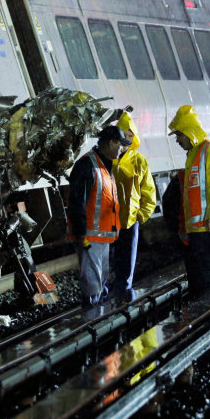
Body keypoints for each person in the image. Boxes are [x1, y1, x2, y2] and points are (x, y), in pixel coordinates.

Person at [167, 105, 210, 292]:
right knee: (201, 278)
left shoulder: (209, 151)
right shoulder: (194, 154)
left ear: (190, 133)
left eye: (179, 135)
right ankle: (209, 315)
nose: (177, 140)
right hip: (199, 227)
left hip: (209, 225)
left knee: (206, 279)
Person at [66, 126, 130, 307]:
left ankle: (97, 313)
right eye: (120, 145)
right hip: (88, 236)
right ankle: (91, 316)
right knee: (92, 280)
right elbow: (77, 201)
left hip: (101, 236)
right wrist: (81, 233)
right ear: (111, 142)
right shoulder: (87, 165)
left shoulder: (103, 166)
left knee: (100, 278)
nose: (121, 149)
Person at [110, 113, 157, 302]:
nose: (127, 139)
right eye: (124, 135)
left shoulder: (139, 161)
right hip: (108, 220)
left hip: (130, 220)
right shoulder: (109, 159)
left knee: (126, 260)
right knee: (109, 259)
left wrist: (142, 214)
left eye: (131, 135)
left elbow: (148, 190)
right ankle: (109, 292)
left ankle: (123, 293)